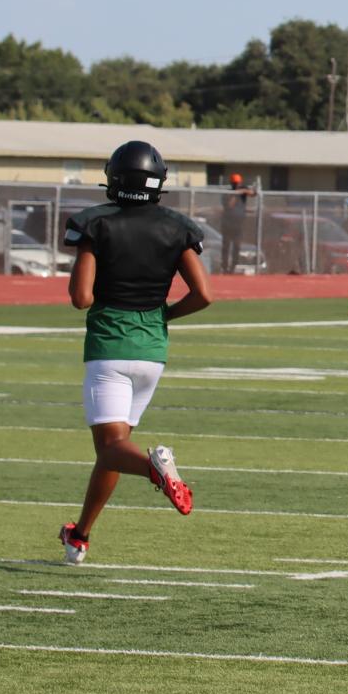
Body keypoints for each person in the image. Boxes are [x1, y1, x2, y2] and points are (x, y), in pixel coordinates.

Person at [57, 140, 213, 565]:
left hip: (109, 345)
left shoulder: (95, 224)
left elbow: (81, 298)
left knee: (112, 449)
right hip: (152, 352)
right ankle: (80, 536)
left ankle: (155, 468)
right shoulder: (177, 227)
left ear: (115, 179)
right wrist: (163, 316)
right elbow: (203, 295)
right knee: (113, 449)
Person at [219, 173, 253, 274]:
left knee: (237, 246)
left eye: (237, 183)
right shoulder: (228, 193)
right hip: (228, 224)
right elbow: (229, 206)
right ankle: (225, 267)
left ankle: (233, 267)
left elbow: (253, 193)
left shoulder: (243, 191)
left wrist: (242, 191)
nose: (236, 185)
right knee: (226, 246)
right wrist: (235, 194)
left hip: (238, 225)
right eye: (234, 183)